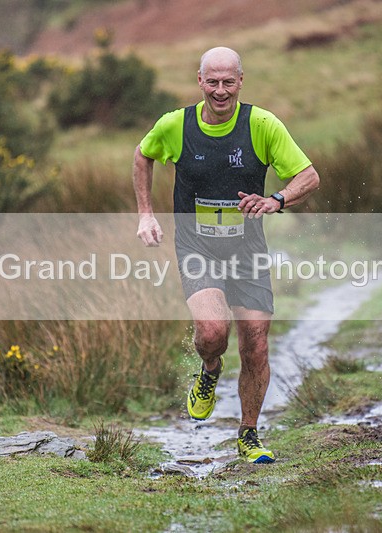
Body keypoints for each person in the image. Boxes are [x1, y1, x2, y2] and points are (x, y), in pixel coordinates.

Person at [133, 46, 320, 464]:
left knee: (255, 344)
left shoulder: (262, 124)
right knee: (214, 333)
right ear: (200, 80)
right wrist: (146, 214)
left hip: (247, 251)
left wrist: (277, 199)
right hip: (197, 247)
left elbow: (308, 176)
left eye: (228, 82)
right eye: (212, 81)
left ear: (241, 81)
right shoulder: (175, 126)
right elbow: (143, 155)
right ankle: (209, 371)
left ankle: (248, 435)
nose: (220, 90)